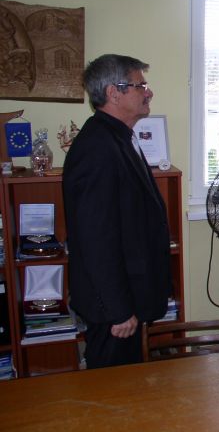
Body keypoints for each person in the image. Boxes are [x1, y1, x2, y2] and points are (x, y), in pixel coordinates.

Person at [63, 54, 171, 368]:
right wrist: (119, 310)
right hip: (114, 312)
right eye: (141, 86)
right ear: (114, 93)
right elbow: (96, 240)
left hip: (130, 299)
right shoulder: (97, 147)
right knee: (112, 390)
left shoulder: (118, 137)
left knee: (129, 386)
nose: (149, 92)